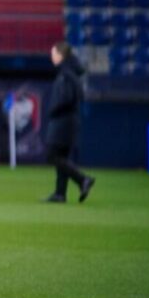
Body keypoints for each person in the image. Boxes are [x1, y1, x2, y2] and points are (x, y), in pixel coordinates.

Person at [45, 41, 95, 203]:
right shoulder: (71, 73)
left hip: (63, 121)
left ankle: (82, 179)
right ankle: (60, 193)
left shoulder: (66, 74)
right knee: (62, 156)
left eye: (53, 53)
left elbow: (66, 98)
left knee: (52, 155)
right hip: (69, 121)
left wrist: (53, 109)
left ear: (61, 55)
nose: (51, 56)